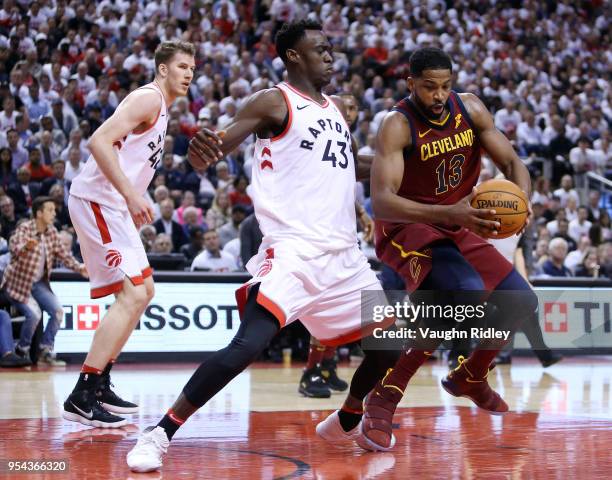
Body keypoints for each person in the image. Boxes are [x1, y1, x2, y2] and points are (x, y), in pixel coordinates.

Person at [127, 20, 398, 472]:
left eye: (331, 50)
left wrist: (405, 164)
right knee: (247, 345)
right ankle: (160, 432)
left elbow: (352, 164)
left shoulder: (332, 109)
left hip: (345, 258)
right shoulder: (276, 100)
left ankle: (348, 417)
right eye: (320, 50)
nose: (330, 56)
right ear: (294, 55)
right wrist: (205, 150)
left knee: (391, 345)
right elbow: (225, 139)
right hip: (293, 250)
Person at [358, 47, 538, 451]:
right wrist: (450, 213)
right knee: (461, 295)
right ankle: (383, 397)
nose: (438, 96)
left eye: (445, 86)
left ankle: (470, 376)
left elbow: (514, 165)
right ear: (410, 84)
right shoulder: (397, 124)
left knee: (522, 301)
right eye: (428, 87)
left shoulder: (470, 109)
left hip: (458, 223)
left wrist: (523, 203)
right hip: (407, 229)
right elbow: (383, 201)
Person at [62, 41, 197, 428]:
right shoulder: (147, 98)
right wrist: (131, 194)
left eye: (192, 68)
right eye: (182, 66)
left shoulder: (163, 108)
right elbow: (98, 141)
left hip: (116, 207)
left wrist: (131, 200)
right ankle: (83, 394)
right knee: (133, 293)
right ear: (161, 70)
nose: (189, 74)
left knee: (146, 292)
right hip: (97, 200)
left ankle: (100, 381)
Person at [1, 196, 87, 365]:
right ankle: (22, 351)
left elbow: (65, 256)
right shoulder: (25, 229)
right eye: (50, 210)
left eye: (54, 210)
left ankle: (44, 351)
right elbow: (14, 247)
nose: (54, 213)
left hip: (38, 283)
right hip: (17, 283)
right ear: (39, 213)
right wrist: (26, 247)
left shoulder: (52, 232)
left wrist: (80, 268)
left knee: (58, 312)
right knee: (34, 314)